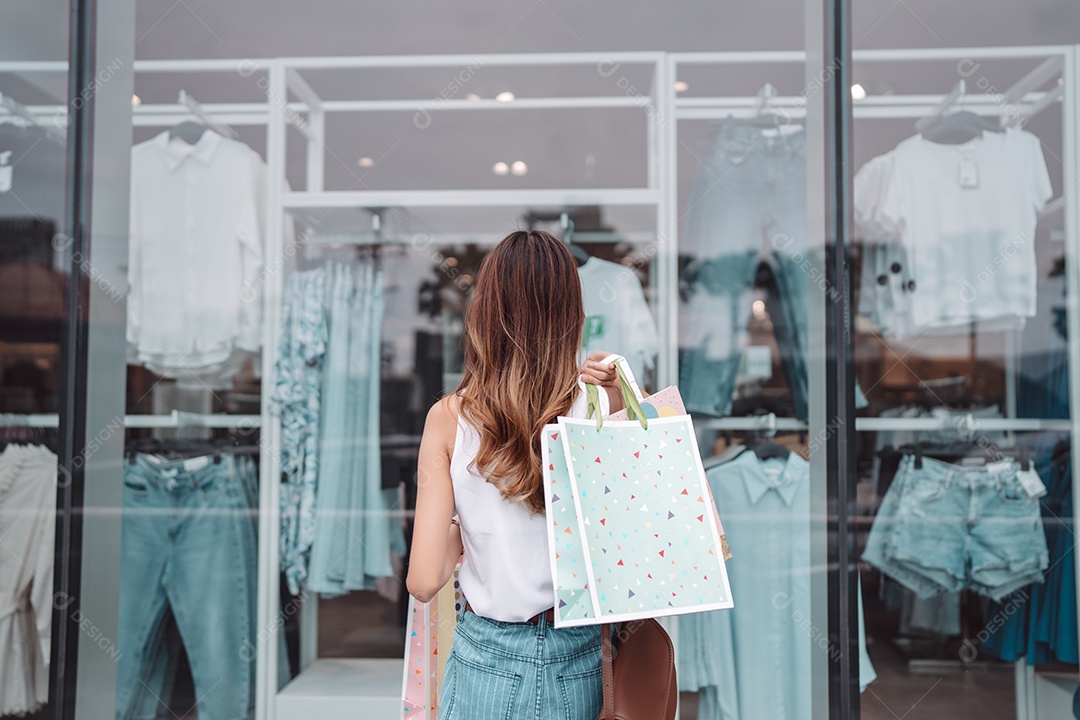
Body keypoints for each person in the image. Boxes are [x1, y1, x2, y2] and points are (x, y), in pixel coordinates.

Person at [406, 230, 627, 719]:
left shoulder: (448, 419)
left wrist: (465, 527)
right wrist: (623, 398)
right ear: (571, 314)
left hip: (487, 658)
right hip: (584, 658)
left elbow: (424, 581)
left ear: (486, 312)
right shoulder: (598, 406)